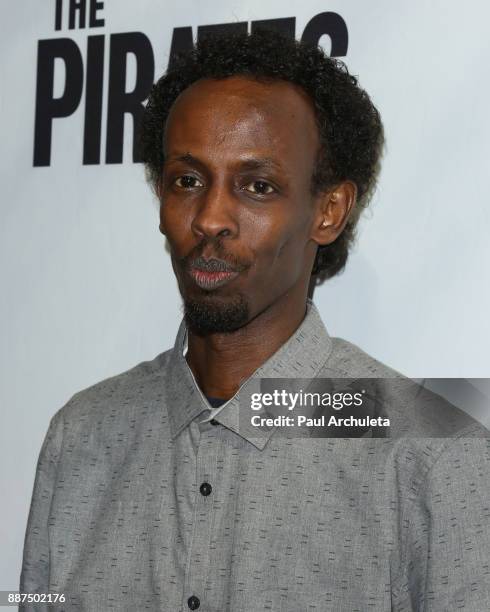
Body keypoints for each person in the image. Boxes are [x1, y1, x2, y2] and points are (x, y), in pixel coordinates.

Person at [20, 30, 490, 611]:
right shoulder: (82, 437)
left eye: (257, 186)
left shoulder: (433, 449)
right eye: (187, 181)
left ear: (328, 211)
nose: (211, 218)